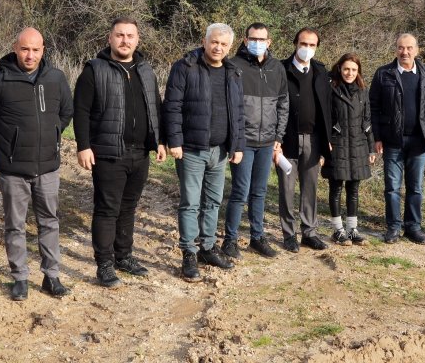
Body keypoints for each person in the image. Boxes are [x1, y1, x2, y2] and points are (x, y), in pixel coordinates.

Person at [0, 27, 74, 301]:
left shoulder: (56, 78)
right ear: (15, 49)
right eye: (25, 49)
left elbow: (66, 112)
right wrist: (9, 143)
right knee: (15, 225)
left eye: (36, 50)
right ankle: (20, 278)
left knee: (50, 222)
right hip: (13, 169)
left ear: (43, 50)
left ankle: (51, 276)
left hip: (48, 167)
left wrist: (52, 135)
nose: (30, 55)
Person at [73, 17, 166, 289]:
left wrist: (159, 141)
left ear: (137, 40)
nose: (125, 40)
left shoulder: (146, 71)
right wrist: (83, 145)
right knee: (107, 209)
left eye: (130, 36)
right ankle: (104, 264)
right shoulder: (95, 70)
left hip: (140, 154)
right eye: (119, 35)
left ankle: (124, 256)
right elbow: (81, 110)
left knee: (129, 208)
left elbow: (155, 109)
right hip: (109, 153)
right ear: (109, 39)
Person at [163, 23, 245, 281]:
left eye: (223, 44)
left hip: (220, 151)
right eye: (214, 42)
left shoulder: (233, 72)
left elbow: (238, 113)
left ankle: (208, 247)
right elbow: (172, 106)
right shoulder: (185, 67)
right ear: (205, 41)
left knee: (213, 202)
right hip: (191, 149)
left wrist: (237, 145)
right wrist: (174, 141)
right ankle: (189, 251)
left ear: (229, 47)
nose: (218, 47)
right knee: (190, 203)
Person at [222, 23, 289, 260]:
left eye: (262, 39)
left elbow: (283, 104)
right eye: (253, 38)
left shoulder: (277, 68)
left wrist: (278, 137)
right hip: (244, 141)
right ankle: (229, 240)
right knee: (240, 191)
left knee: (259, 192)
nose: (257, 42)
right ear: (245, 39)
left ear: (269, 42)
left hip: (267, 141)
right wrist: (234, 139)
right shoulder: (234, 66)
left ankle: (257, 237)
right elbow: (230, 105)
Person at [369, 33, 425, 245]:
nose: (405, 52)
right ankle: (393, 226)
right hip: (392, 140)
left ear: (417, 50)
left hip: (419, 140)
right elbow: (373, 107)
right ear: (396, 50)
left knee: (416, 187)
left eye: (409, 48)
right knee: (392, 187)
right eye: (401, 48)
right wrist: (377, 136)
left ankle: (413, 227)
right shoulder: (384, 74)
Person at [277, 27, 333, 252]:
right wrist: (275, 139)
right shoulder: (281, 69)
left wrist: (327, 139)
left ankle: (309, 232)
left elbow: (327, 109)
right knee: (286, 189)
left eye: (312, 45)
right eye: (303, 44)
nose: (307, 48)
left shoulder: (321, 72)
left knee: (310, 188)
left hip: (313, 139)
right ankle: (288, 234)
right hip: (286, 140)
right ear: (295, 44)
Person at [323, 53, 375, 245]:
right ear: (339, 69)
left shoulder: (363, 90)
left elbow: (367, 121)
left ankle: (352, 229)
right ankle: (338, 230)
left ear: (358, 71)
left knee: (354, 189)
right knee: (336, 188)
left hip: (359, 145)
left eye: (354, 69)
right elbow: (325, 119)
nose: (350, 73)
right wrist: (325, 144)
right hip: (337, 145)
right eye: (346, 69)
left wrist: (371, 148)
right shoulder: (330, 89)